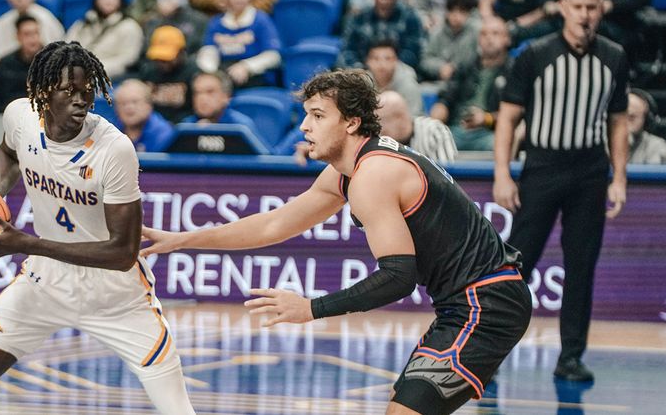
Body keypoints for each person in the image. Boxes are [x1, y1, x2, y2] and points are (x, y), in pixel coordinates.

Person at [143, 69, 532, 414]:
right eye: (305, 115)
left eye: (317, 116)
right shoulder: (344, 172)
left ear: (351, 123)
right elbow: (272, 225)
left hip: (486, 304)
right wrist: (183, 239)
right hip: (465, 304)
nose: (303, 128)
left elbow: (399, 277)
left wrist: (311, 308)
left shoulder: (373, 174)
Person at [0, 41, 196, 415]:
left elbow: (122, 252)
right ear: (43, 93)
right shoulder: (19, 117)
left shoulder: (115, 150)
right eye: (69, 90)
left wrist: (27, 243)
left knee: (179, 410)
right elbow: (9, 151)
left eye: (87, 90)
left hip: (116, 298)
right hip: (44, 285)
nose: (81, 100)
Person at [492, 0, 630, 382]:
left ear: (601, 9)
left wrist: (618, 177)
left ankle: (571, 356)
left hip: (589, 171)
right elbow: (508, 117)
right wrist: (502, 173)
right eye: (578, 7)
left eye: (592, 8)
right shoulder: (535, 55)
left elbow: (618, 121)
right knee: (517, 263)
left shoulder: (615, 57)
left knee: (582, 266)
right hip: (542, 168)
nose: (585, 15)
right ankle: (492, 349)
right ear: (564, 8)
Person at [431, 16, 513, 151]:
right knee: (431, 143)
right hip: (458, 129)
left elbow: (517, 112)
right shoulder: (465, 67)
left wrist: (486, 118)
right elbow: (446, 99)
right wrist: (436, 118)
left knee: (500, 145)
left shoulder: (514, 70)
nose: (489, 38)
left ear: (507, 39)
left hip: (491, 133)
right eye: (484, 34)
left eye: (495, 33)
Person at [196, 0, 281, 88]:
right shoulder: (216, 23)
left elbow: (273, 56)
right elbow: (208, 51)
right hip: (225, 78)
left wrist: (247, 67)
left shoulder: (260, 20)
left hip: (256, 79)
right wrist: (213, 72)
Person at [338, 0, 426, 71]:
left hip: (399, 77)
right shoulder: (358, 19)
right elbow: (347, 52)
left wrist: (388, 70)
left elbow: (413, 53)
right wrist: (364, 71)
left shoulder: (411, 18)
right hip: (363, 77)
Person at [65, 0, 145, 79]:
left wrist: (93, 69)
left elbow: (128, 60)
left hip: (109, 79)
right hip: (75, 76)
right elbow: (65, 49)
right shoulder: (82, 24)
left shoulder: (129, 26)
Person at [0, 15, 43, 114]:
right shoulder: (5, 63)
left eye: (36, 33)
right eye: (27, 34)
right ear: (18, 36)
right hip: (8, 115)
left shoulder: (51, 62)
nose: (33, 38)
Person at [139, 0, 209, 55]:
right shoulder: (151, 22)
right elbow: (147, 52)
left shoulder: (200, 20)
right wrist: (164, 18)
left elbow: (200, 51)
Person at [378, 90, 457, 164]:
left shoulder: (433, 131)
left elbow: (447, 173)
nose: (379, 126)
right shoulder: (378, 138)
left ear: (400, 117)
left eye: (382, 119)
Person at [138, 26, 198, 122]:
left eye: (167, 58)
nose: (162, 62)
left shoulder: (193, 73)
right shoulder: (148, 72)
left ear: (181, 52)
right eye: (158, 57)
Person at [421, 0, 480, 82]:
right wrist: (441, 67)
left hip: (469, 80)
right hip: (440, 80)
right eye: (452, 11)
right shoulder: (437, 32)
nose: (456, 16)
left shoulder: (476, 32)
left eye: (462, 12)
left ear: (469, 13)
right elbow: (425, 60)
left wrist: (455, 68)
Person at [183, 71, 259, 134]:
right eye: (197, 93)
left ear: (226, 97)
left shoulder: (241, 127)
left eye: (210, 92)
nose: (202, 98)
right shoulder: (186, 126)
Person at [115, 79, 176, 152]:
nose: (129, 108)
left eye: (135, 102)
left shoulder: (165, 134)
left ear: (149, 105)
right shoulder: (110, 132)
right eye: (123, 103)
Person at [366, 40, 423, 116]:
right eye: (376, 59)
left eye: (387, 58)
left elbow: (414, 118)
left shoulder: (408, 84)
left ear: (396, 61)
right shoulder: (363, 84)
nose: (382, 64)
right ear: (368, 62)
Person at [625, 89, 666, 165]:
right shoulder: (603, 145)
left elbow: (654, 175)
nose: (625, 122)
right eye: (621, 117)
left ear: (647, 120)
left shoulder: (656, 145)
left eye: (632, 117)